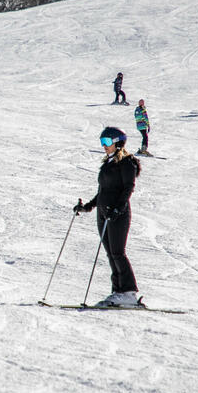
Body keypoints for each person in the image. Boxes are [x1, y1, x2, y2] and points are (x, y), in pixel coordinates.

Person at [73, 126, 141, 307]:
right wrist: (87, 206)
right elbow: (103, 192)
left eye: (107, 142)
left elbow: (128, 188)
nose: (104, 146)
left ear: (118, 142)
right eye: (102, 142)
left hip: (118, 213)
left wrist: (118, 209)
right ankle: (118, 291)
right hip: (104, 212)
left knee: (118, 252)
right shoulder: (108, 163)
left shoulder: (127, 162)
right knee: (111, 254)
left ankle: (128, 293)